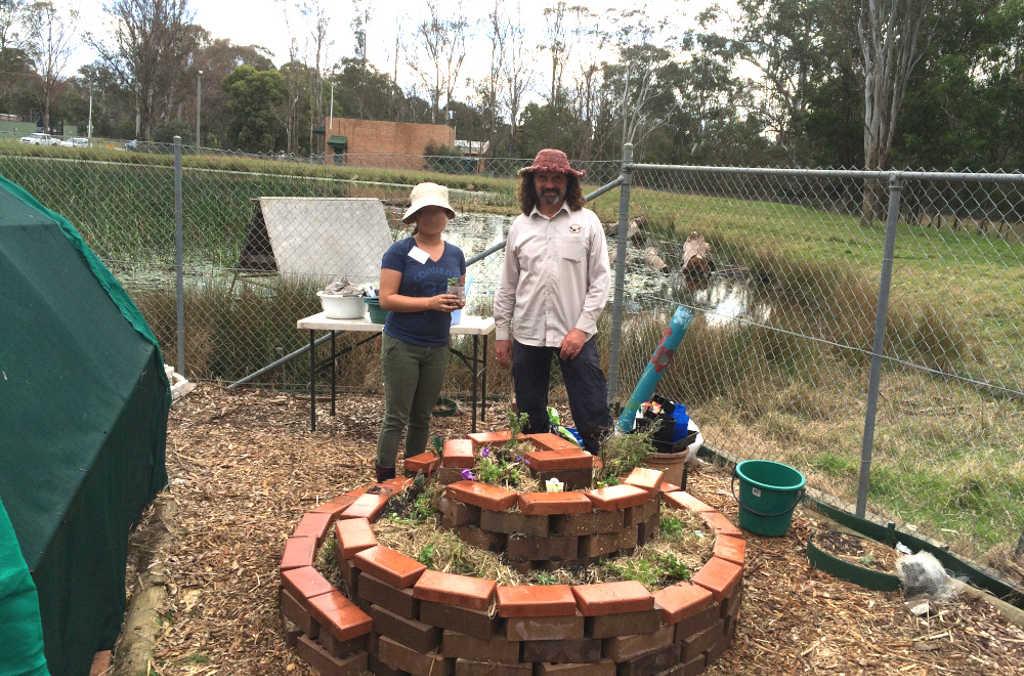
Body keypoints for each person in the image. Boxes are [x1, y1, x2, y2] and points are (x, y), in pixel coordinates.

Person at [493, 148, 613, 453]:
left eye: (556, 178)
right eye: (543, 178)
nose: (549, 185)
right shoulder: (520, 226)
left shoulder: (587, 222)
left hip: (576, 334)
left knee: (592, 411)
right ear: (532, 182)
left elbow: (600, 281)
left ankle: (604, 474)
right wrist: (502, 334)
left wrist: (581, 329)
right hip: (528, 333)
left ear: (568, 183)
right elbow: (507, 284)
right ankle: (538, 472)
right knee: (530, 415)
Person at [375, 182, 465, 481]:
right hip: (403, 343)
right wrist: (429, 302)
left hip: (437, 345)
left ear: (446, 215)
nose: (432, 217)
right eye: (425, 212)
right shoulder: (399, 252)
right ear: (415, 217)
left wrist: (456, 301)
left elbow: (457, 292)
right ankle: (385, 477)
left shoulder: (455, 254)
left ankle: (414, 475)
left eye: (438, 211)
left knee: (422, 416)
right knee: (396, 416)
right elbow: (387, 299)